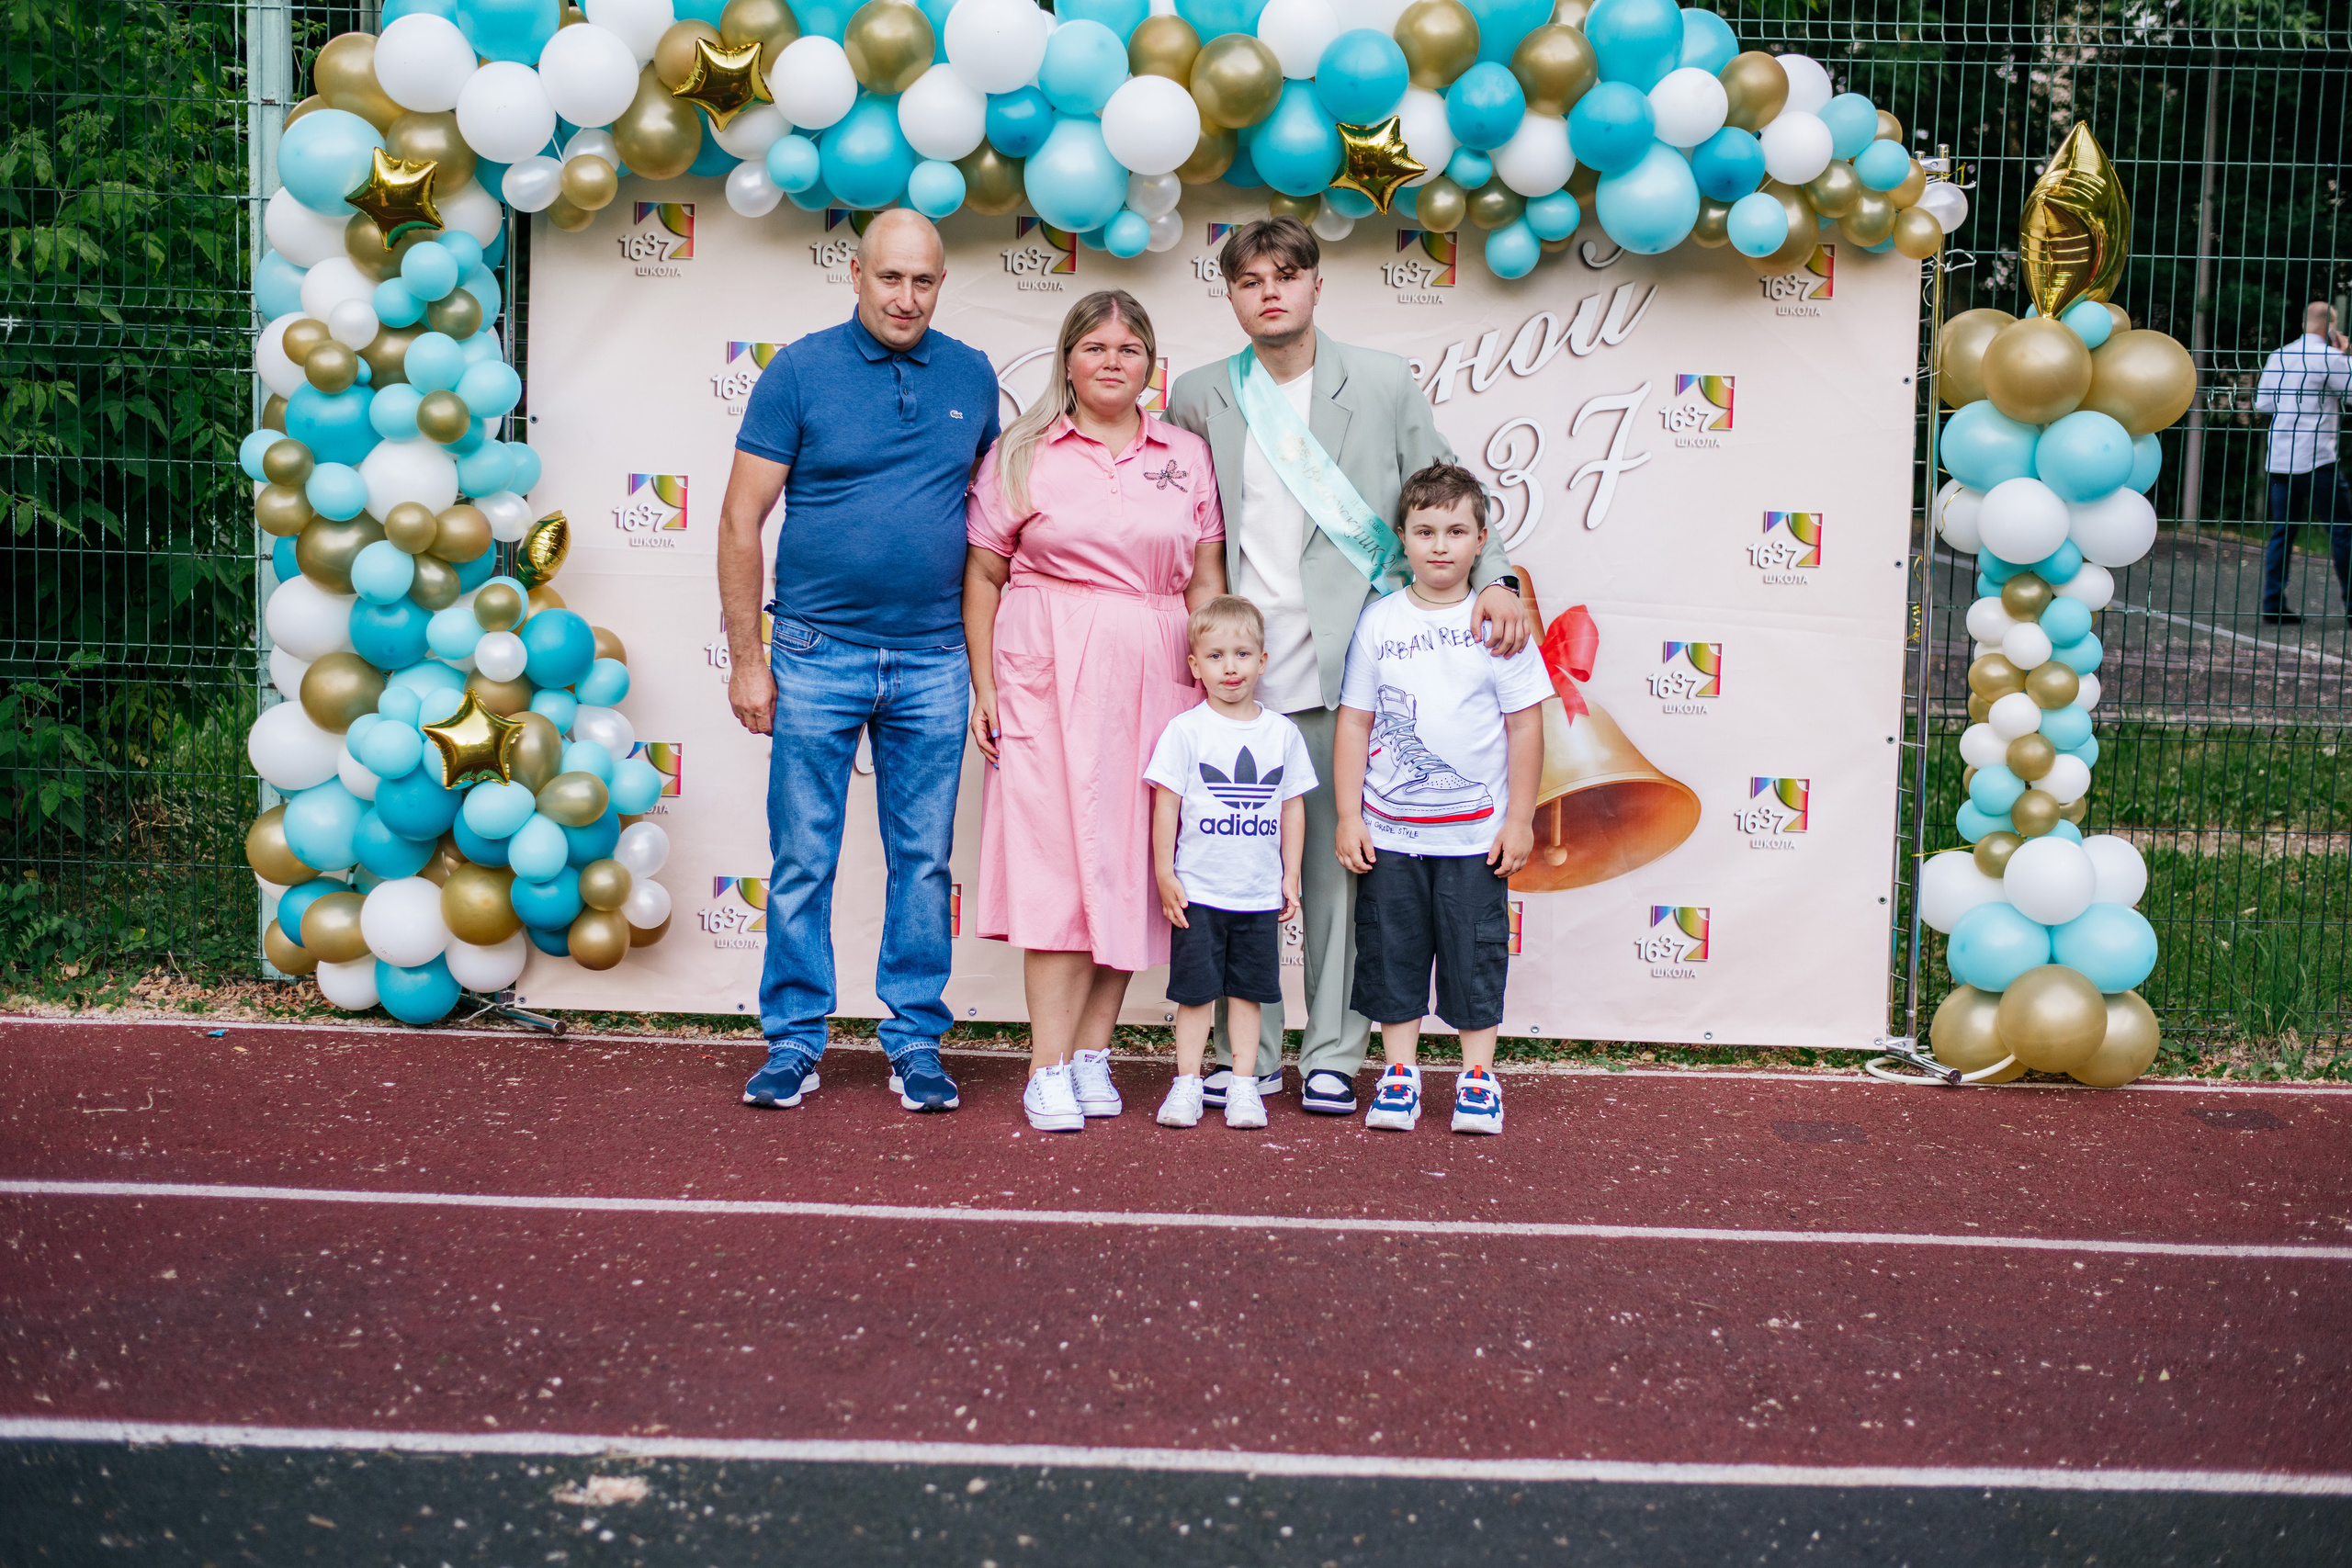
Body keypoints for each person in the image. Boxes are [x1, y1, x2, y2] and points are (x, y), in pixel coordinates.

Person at [1166, 217, 1536, 1122]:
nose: (1270, 292)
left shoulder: (1378, 381)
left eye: (1286, 275)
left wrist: (1498, 579)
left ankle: (1332, 1051)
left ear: (1315, 284)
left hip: (1347, 671)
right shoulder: (1201, 394)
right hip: (1240, 673)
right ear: (1231, 295)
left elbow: (1445, 487)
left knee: (1339, 872)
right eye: (1250, 280)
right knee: (1232, 872)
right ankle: (1236, 1053)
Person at [717, 209, 1000, 1115]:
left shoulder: (972, 375)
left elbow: (998, 525)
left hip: (933, 658)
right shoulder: (797, 372)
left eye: (923, 281)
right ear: (854, 274)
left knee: (921, 863)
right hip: (812, 650)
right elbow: (737, 522)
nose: (906, 297)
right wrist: (747, 660)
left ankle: (915, 1041)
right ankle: (796, 1042)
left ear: (941, 283)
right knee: (803, 857)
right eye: (890, 278)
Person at [962, 289, 1226, 1133]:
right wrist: (987, 684)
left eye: (1131, 347)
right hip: (1046, 663)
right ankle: (1045, 1066)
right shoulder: (1023, 450)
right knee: (1056, 868)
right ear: (1067, 357)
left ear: (1152, 362)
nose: (1114, 360)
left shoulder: (1185, 452)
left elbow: (1207, 580)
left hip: (1158, 669)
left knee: (1128, 866)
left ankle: (1091, 1053)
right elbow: (984, 575)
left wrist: (1209, 687)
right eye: (1096, 346)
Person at [1332, 464, 1548, 1136]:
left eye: (1456, 531)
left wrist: (1519, 818)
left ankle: (1477, 1077)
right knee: (1392, 952)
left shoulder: (1498, 623)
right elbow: (1356, 722)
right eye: (1425, 531)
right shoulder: (1379, 623)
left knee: (1474, 954)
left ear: (1481, 539)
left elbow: (1525, 724)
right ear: (1402, 538)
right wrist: (1347, 813)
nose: (1440, 545)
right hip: (1392, 834)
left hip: (1473, 836)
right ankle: (1399, 1072)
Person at [1145, 596, 1316, 1131]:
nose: (1230, 667)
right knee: (1195, 996)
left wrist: (1290, 876)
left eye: (1242, 654)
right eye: (1216, 656)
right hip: (1199, 894)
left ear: (1263, 661)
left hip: (1257, 895)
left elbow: (1292, 808)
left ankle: (1244, 1085)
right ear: (1195, 666)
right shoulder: (1185, 731)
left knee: (1249, 994)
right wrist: (1165, 873)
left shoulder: (1281, 733)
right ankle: (1187, 1084)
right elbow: (1165, 806)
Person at [2253, 299, 2352, 624]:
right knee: (2341, 530)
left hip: (2281, 457)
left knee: (2283, 530)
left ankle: (2272, 603)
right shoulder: (2331, 358)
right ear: (2331, 328)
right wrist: (2346, 354)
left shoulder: (2279, 355)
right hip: (2316, 457)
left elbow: (2263, 404)